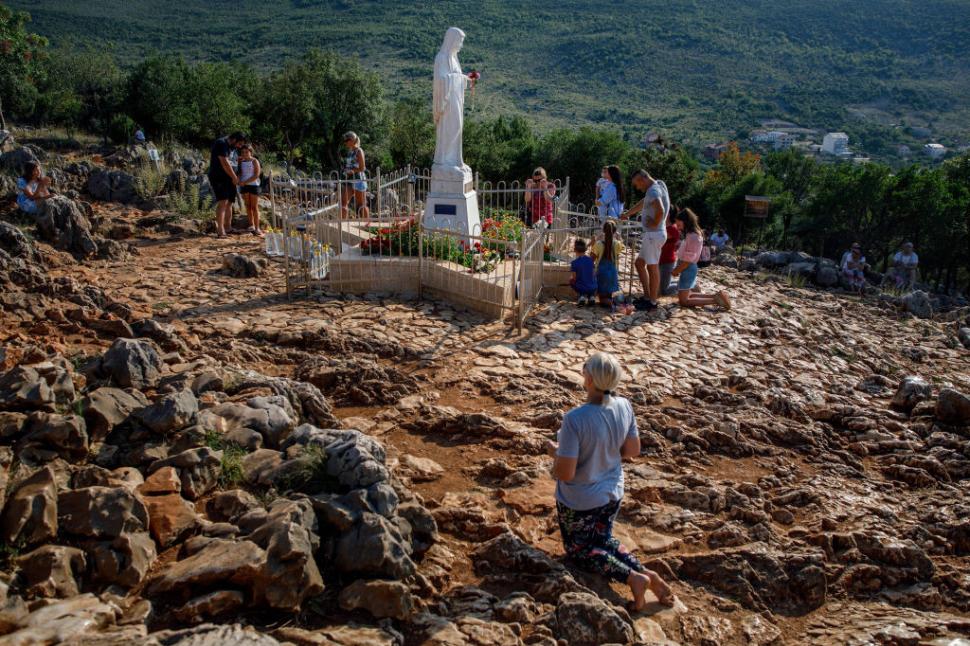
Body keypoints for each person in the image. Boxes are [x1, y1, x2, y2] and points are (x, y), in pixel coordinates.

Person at [545, 352, 675, 611]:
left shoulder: (575, 419)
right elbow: (632, 450)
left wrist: (555, 454)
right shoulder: (624, 405)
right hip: (613, 491)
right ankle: (646, 573)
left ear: (589, 380)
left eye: (585, 370)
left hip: (581, 499)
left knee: (580, 550)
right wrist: (603, 452)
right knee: (602, 540)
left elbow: (566, 473)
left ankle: (633, 578)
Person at [621, 170, 669, 310]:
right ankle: (647, 296)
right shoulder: (658, 185)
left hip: (654, 234)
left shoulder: (653, 191)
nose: (637, 187)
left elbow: (660, 210)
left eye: (637, 184)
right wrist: (628, 214)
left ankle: (652, 302)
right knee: (639, 263)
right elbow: (644, 203)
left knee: (652, 267)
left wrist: (654, 223)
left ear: (643, 179)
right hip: (654, 234)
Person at [671, 209, 731, 310]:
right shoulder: (692, 234)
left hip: (688, 268)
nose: (678, 226)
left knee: (684, 301)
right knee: (689, 295)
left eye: (679, 224)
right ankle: (716, 296)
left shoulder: (693, 236)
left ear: (686, 221)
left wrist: (677, 270)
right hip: (688, 268)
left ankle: (716, 300)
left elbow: (687, 261)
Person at [208, 131, 247, 238]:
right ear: (234, 139)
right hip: (219, 177)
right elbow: (224, 162)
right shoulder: (221, 143)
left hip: (230, 178)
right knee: (223, 202)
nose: (240, 146)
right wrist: (234, 177)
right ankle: (220, 231)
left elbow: (233, 161)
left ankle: (228, 227)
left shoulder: (232, 147)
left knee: (230, 202)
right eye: (239, 144)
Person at [591, 220, 624, 307]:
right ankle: (612, 302)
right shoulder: (617, 244)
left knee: (602, 298)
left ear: (603, 231)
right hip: (612, 271)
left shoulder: (598, 244)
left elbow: (592, 258)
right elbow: (622, 247)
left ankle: (614, 305)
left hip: (602, 272)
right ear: (615, 231)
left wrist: (594, 242)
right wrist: (619, 238)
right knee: (609, 294)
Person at [340, 131, 369, 219]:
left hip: (358, 180)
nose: (345, 142)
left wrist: (352, 171)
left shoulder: (359, 151)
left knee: (361, 204)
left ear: (352, 140)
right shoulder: (350, 152)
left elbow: (362, 168)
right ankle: (342, 224)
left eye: (347, 140)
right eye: (345, 140)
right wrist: (346, 170)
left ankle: (366, 224)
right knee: (343, 202)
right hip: (349, 179)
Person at [237, 144, 263, 237]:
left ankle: (257, 227)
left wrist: (245, 182)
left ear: (251, 152)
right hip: (244, 186)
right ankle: (251, 225)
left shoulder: (255, 161)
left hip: (253, 185)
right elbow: (240, 173)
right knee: (248, 206)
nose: (244, 154)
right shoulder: (241, 162)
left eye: (246, 152)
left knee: (254, 207)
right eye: (242, 152)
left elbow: (256, 175)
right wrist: (239, 180)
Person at [658, 211, 680, 296]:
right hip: (660, 260)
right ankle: (680, 283)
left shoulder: (672, 228)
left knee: (664, 291)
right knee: (660, 286)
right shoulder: (663, 227)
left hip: (667, 261)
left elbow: (660, 238)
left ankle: (684, 285)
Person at [570, 239, 597, 306]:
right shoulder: (590, 260)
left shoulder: (574, 263)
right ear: (585, 250)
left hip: (581, 287)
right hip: (593, 287)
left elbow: (574, 277)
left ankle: (581, 296)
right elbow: (593, 273)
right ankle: (591, 296)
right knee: (591, 280)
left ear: (575, 250)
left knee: (571, 280)